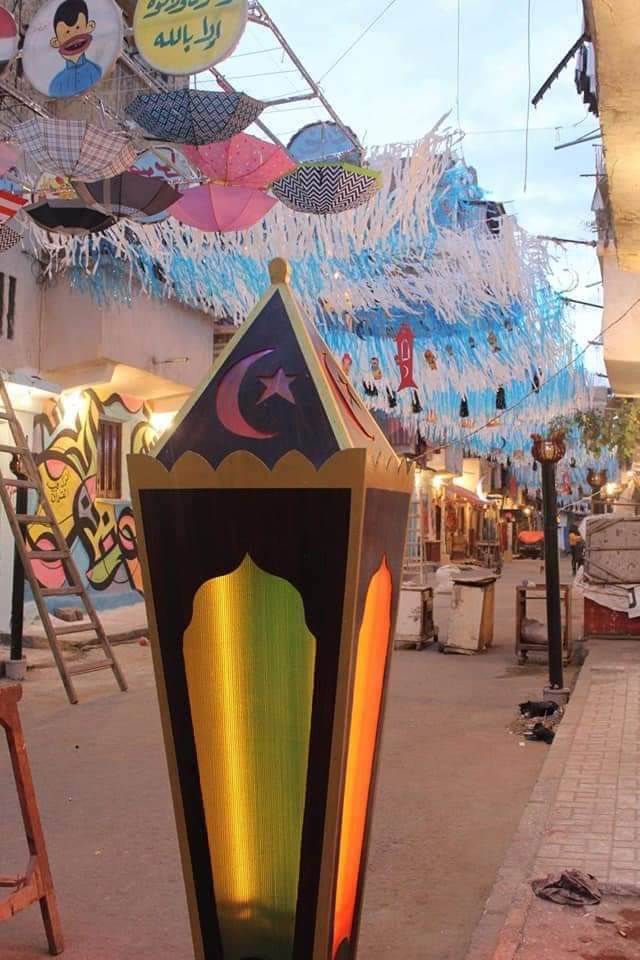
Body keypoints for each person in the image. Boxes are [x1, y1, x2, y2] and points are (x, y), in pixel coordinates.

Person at [49, 0, 102, 98]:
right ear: (56, 42)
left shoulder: (96, 72)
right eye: (67, 32)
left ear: (89, 27)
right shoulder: (56, 85)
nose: (73, 38)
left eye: (78, 28)